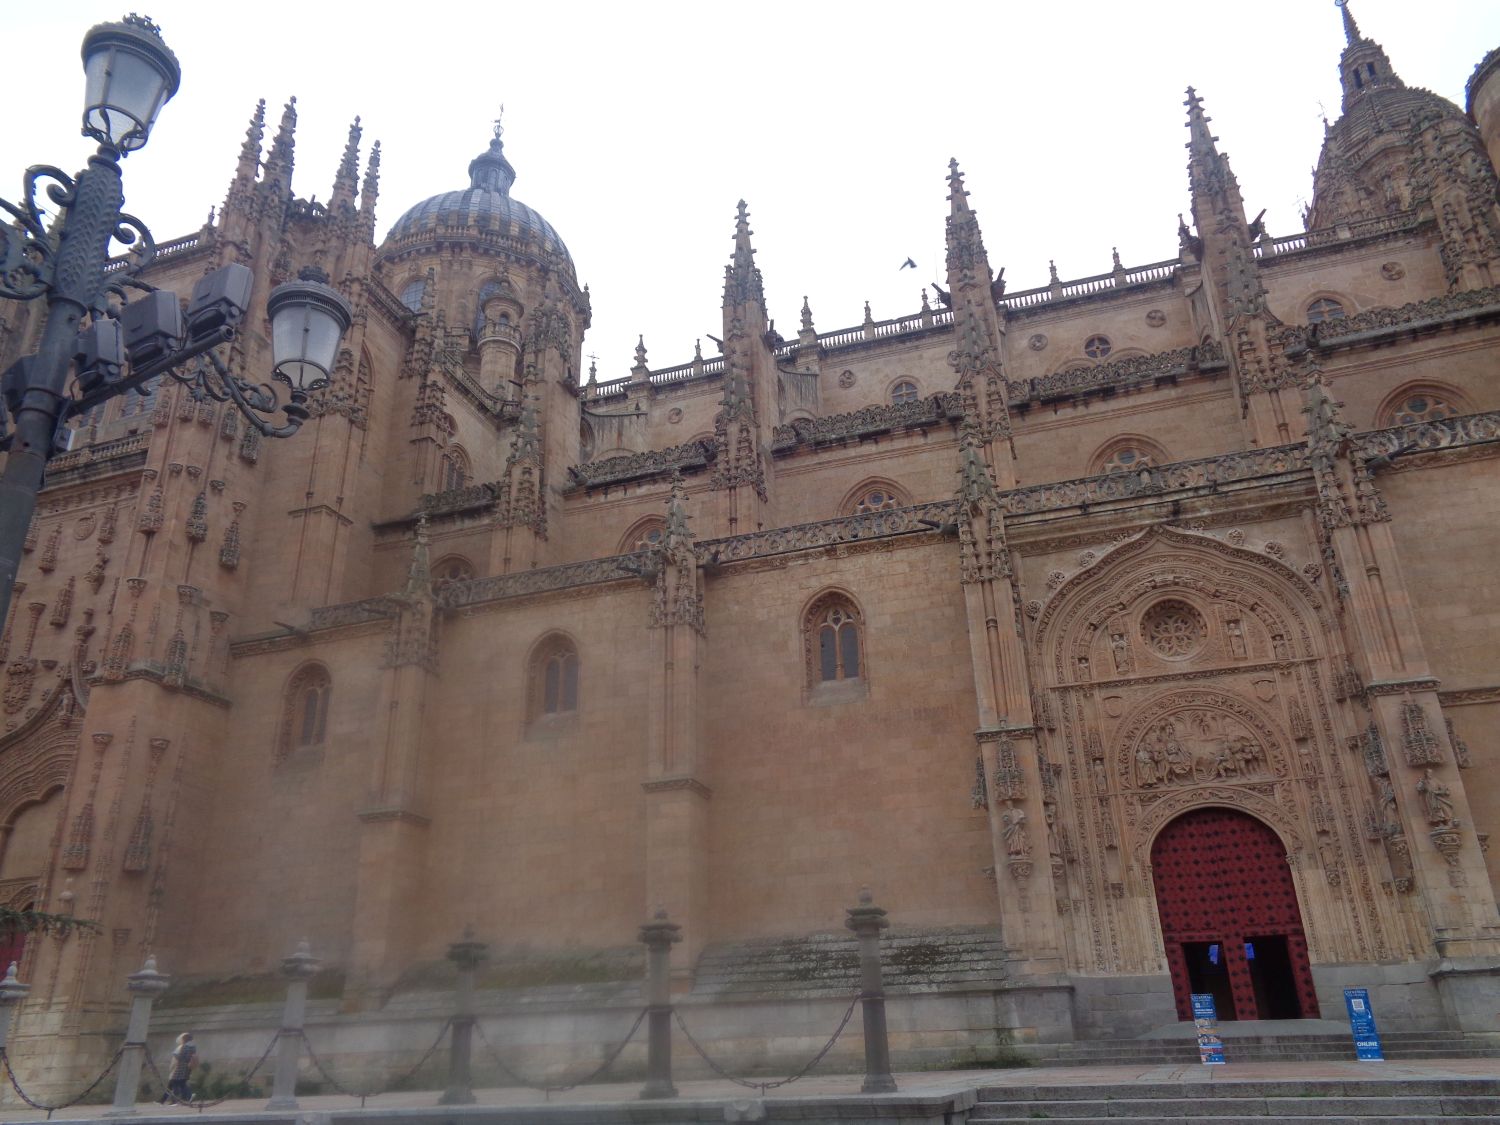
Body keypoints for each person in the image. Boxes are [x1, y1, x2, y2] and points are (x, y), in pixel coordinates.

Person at [162, 1032, 196, 1104]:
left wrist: (172, 1066)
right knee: (181, 1083)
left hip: (180, 1068)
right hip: (187, 1068)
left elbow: (178, 1058)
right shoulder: (193, 1047)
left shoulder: (183, 1047)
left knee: (176, 1083)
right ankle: (186, 1097)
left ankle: (176, 1100)